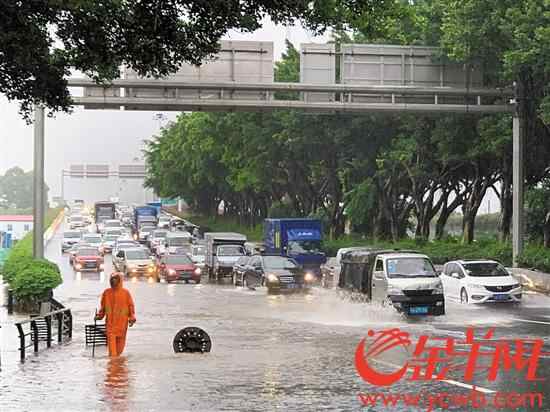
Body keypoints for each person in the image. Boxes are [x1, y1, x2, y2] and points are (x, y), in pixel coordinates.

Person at [95, 272, 136, 357]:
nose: (114, 280)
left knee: (119, 351)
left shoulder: (126, 293)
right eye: (112, 279)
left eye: (116, 278)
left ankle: (117, 365)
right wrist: (99, 316)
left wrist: (132, 318)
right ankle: (112, 364)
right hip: (110, 326)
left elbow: (131, 307)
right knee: (112, 353)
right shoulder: (106, 292)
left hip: (122, 326)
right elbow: (103, 307)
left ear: (120, 280)